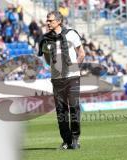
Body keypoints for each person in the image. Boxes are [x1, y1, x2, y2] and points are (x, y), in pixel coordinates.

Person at [38, 11, 85, 149]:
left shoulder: (72, 34)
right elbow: (46, 58)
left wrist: (74, 67)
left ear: (59, 21)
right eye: (47, 20)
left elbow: (81, 53)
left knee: (74, 107)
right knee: (61, 111)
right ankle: (67, 141)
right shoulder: (45, 39)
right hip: (57, 79)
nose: (47, 23)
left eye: (50, 20)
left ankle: (76, 138)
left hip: (72, 77)